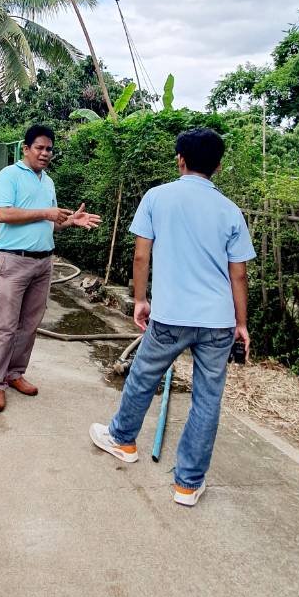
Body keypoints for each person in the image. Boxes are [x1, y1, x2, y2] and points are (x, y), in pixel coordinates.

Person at [89, 126, 254, 505]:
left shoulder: (157, 197)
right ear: (219, 166)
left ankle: (123, 440)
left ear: (180, 159)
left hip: (171, 314)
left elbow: (141, 255)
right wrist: (241, 324)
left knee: (144, 376)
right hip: (218, 321)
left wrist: (141, 299)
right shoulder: (229, 210)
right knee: (207, 399)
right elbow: (239, 274)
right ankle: (187, 484)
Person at [0, 123, 101, 412]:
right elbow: (3, 213)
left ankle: (15, 374)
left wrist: (68, 221)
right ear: (26, 149)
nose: (45, 153)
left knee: (29, 325)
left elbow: (50, 224)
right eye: (39, 147)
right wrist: (46, 212)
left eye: (49, 149)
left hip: (43, 262)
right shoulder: (9, 175)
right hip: (14, 260)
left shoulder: (47, 182)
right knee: (5, 326)